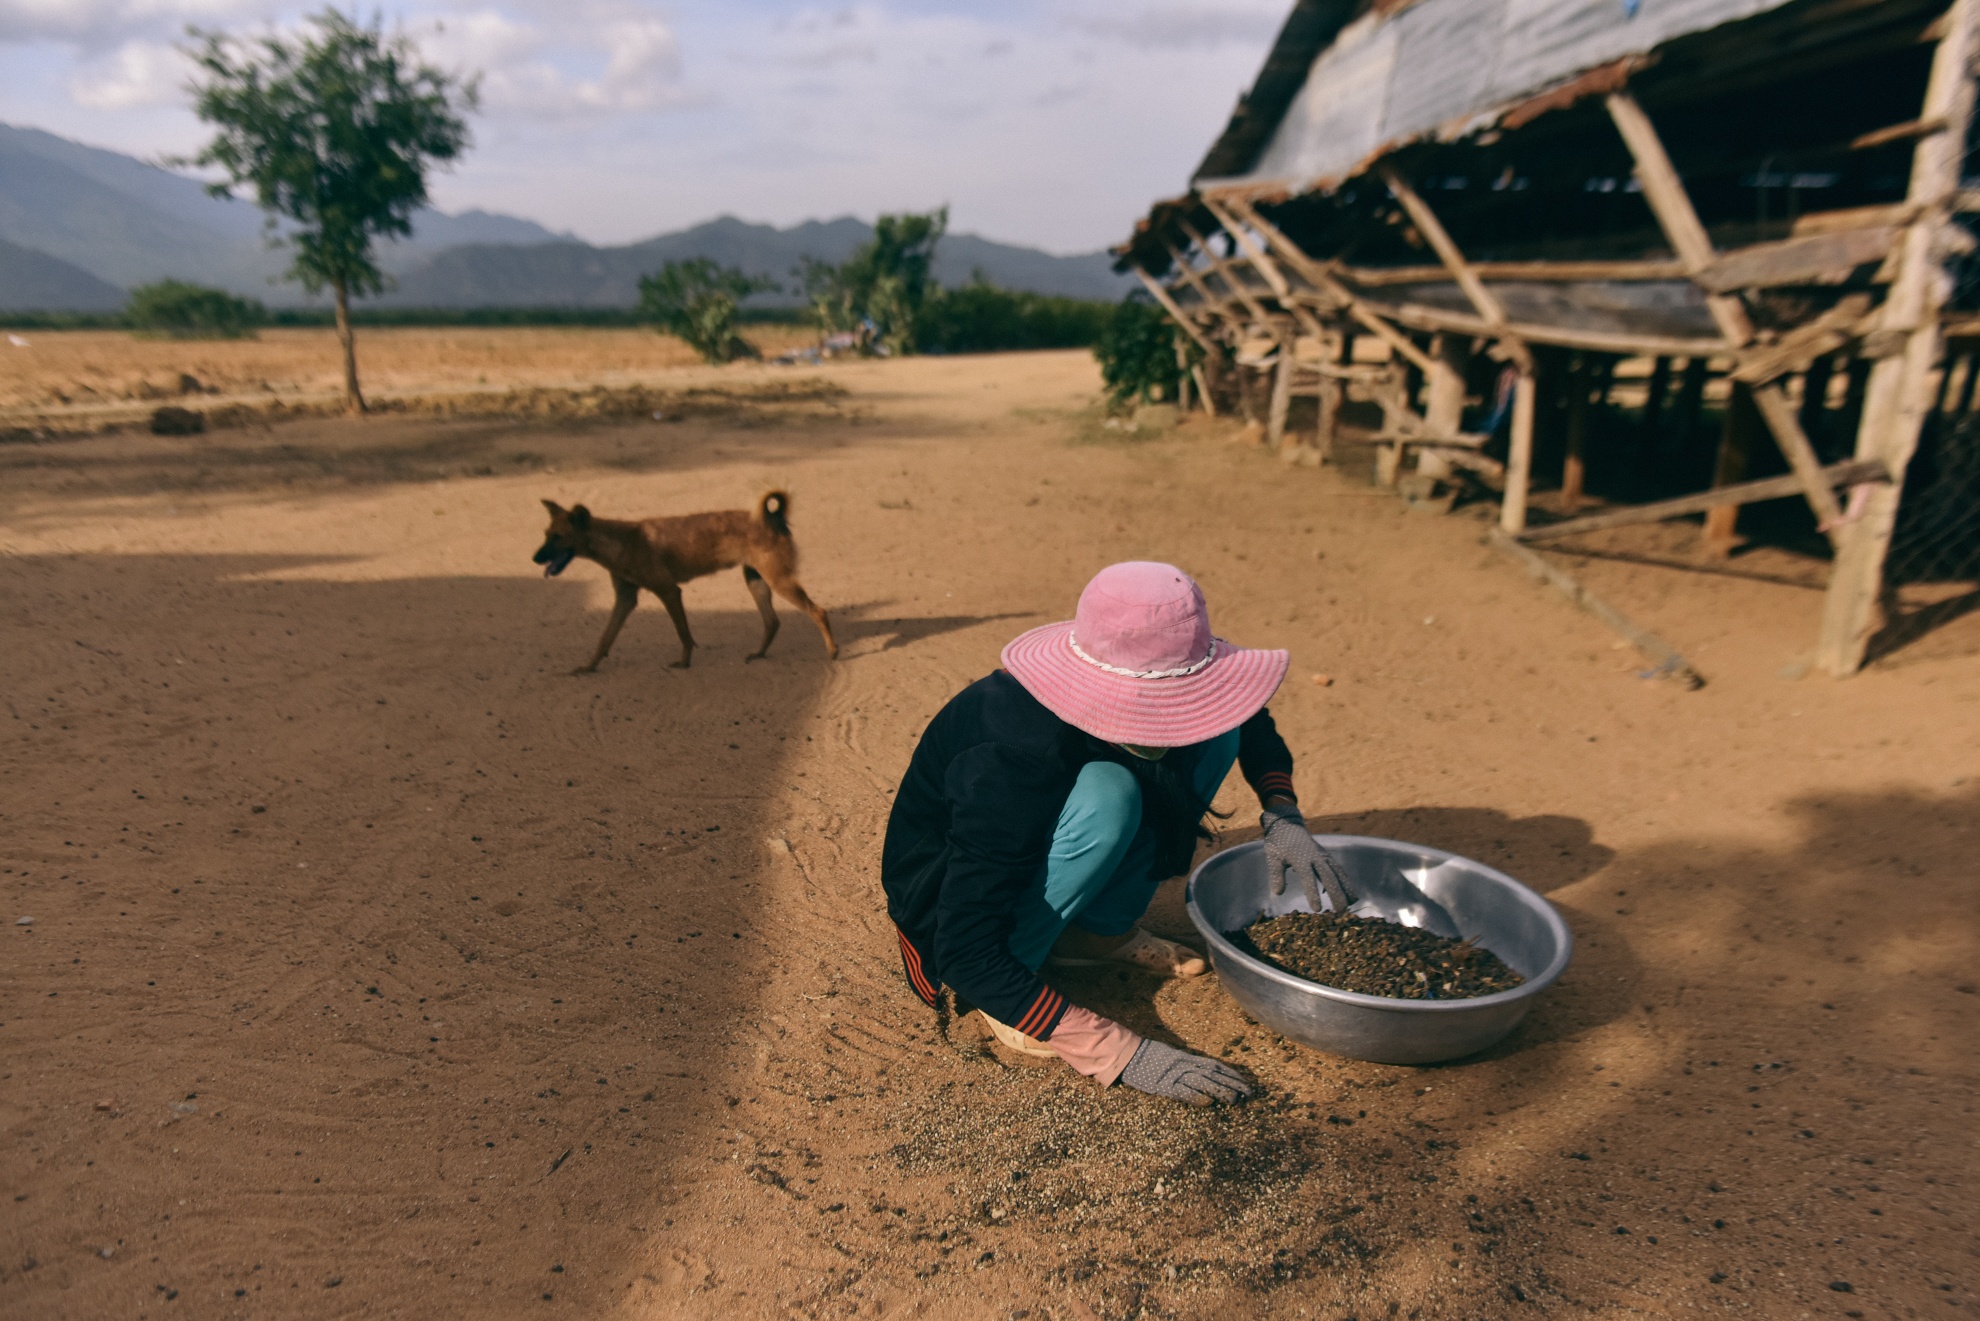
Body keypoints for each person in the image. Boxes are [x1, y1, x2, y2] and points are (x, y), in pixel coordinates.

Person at [881, 561, 1352, 1106]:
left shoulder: (1163, 661)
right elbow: (963, 948)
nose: (1173, 724)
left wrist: (1281, 810)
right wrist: (1117, 1050)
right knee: (1110, 794)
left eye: (1185, 700)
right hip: (952, 909)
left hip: (1052, 829)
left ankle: (1095, 934)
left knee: (1216, 738)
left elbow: (1250, 720)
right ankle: (1021, 966)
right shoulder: (1006, 755)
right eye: (1156, 709)